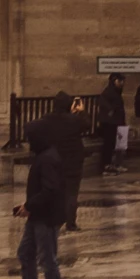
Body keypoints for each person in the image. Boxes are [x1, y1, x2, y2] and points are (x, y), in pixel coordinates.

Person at [15, 118, 64, 279]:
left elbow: (50, 190)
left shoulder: (48, 158)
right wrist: (28, 205)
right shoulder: (44, 155)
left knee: (47, 260)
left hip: (46, 218)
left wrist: (29, 205)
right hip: (37, 215)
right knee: (25, 253)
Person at [46, 96, 85, 234]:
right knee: (72, 193)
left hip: (56, 160)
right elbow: (86, 125)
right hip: (74, 161)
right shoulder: (74, 120)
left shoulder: (48, 119)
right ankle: (71, 223)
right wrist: (80, 112)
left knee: (56, 191)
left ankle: (54, 220)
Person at [94, 74, 126, 176]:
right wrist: (110, 111)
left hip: (115, 122)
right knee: (108, 145)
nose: (122, 83)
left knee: (113, 144)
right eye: (120, 81)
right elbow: (104, 104)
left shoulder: (115, 92)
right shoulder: (108, 92)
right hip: (109, 123)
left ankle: (111, 165)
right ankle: (105, 166)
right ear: (114, 81)